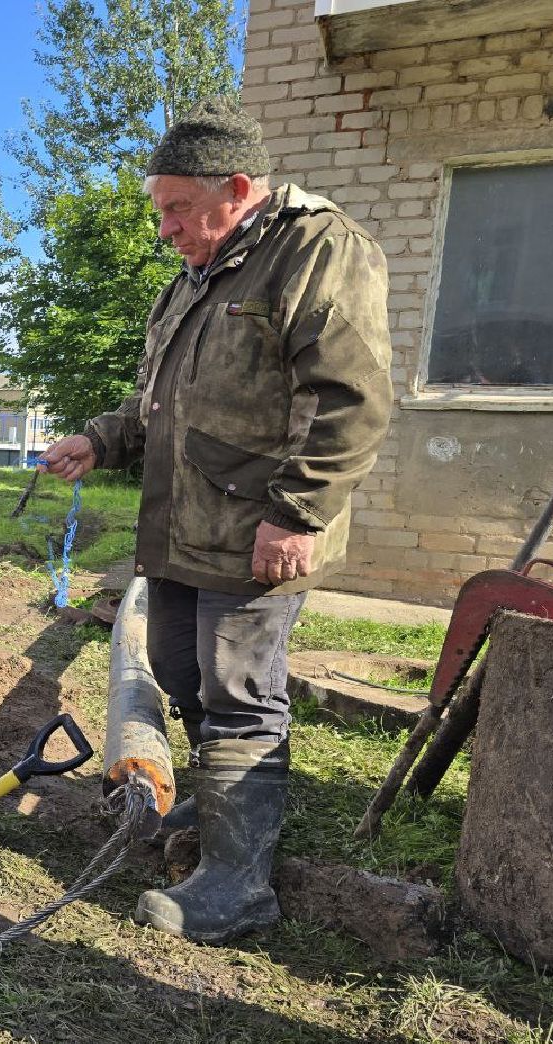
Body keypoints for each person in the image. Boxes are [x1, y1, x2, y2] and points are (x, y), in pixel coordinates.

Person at [42, 99, 393, 945]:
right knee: (174, 664)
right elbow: (159, 405)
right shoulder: (194, 280)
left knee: (237, 689)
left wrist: (298, 513)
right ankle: (227, 798)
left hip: (259, 531)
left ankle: (239, 884)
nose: (163, 229)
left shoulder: (317, 250)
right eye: (158, 208)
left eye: (175, 208)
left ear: (236, 189)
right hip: (182, 526)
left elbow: (351, 399)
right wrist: (98, 439)